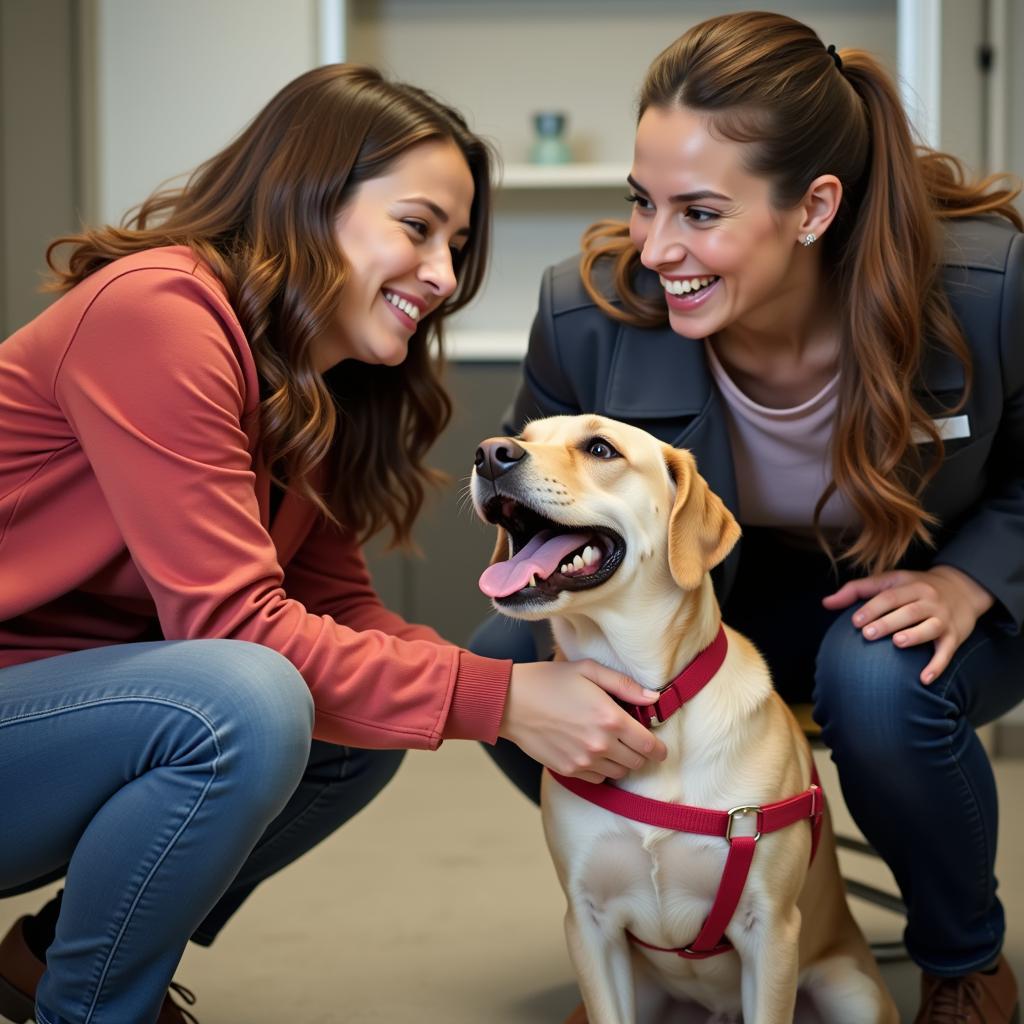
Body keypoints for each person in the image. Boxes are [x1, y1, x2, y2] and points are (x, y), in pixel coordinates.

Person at [0, 64, 669, 1024]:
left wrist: (487, 683)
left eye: (457, 244)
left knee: (353, 733)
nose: (443, 275)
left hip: (73, 713)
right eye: (417, 227)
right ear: (307, 203)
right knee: (252, 697)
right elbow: (233, 626)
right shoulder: (157, 315)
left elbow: (334, 608)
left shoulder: (316, 379)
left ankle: (50, 959)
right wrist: (502, 697)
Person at [470, 12, 1024, 1023]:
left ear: (813, 207)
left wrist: (968, 577)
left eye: (699, 212)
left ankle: (963, 958)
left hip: (921, 585)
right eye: (642, 203)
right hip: (703, 592)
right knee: (510, 661)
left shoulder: (985, 289)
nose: (656, 247)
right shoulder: (584, 317)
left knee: (876, 680)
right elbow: (526, 504)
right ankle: (674, 916)